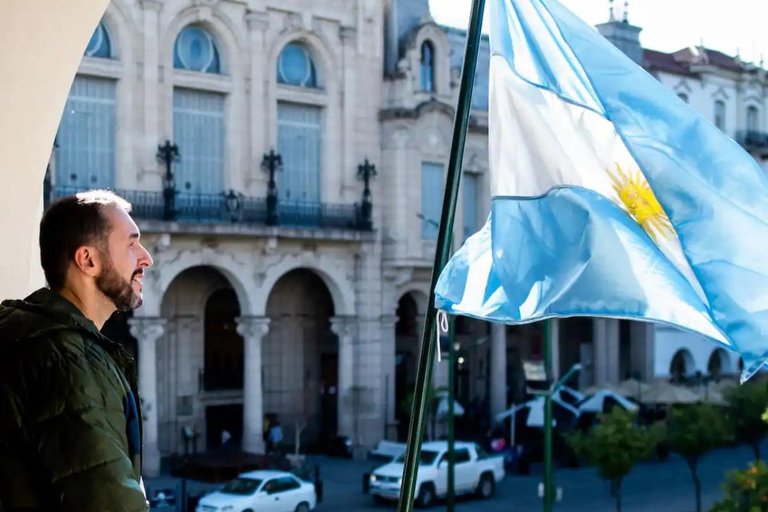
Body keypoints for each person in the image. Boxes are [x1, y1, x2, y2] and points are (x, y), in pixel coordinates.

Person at [0, 190, 153, 512]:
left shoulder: (25, 332)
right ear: (88, 260)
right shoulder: (67, 358)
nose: (146, 258)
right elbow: (108, 501)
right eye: (131, 243)